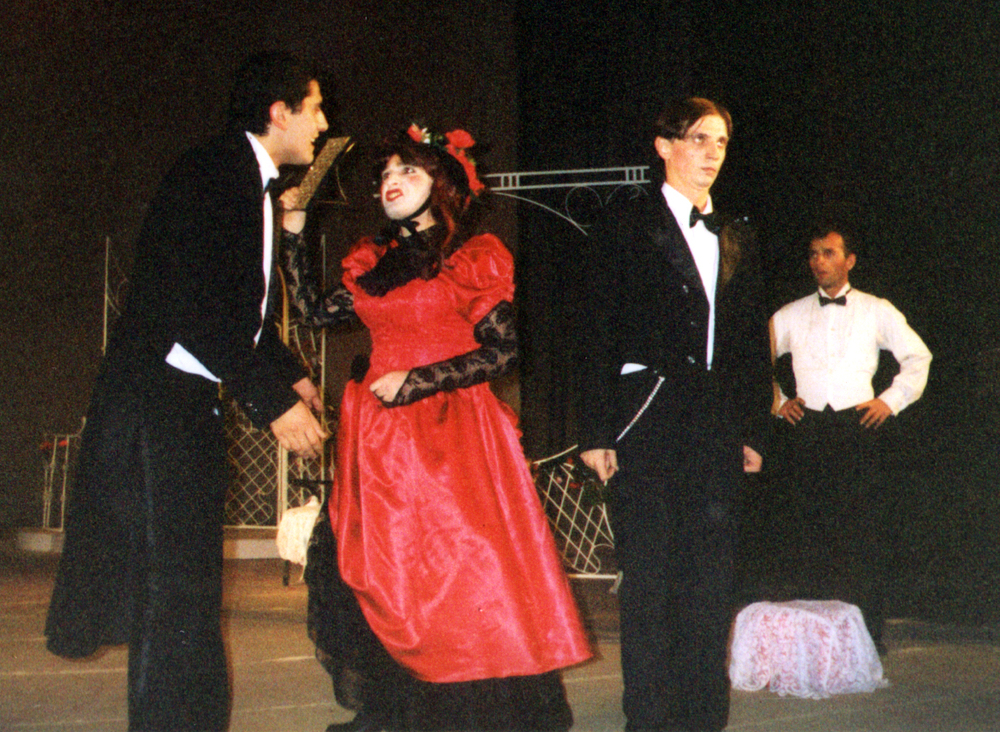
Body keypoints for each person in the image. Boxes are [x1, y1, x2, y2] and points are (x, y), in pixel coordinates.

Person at [44, 51, 331, 731]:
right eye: (316, 108)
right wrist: (272, 402)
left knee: (187, 590)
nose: (323, 124)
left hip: (181, 405)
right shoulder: (215, 172)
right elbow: (192, 303)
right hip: (156, 408)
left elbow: (235, 310)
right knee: (173, 592)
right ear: (279, 111)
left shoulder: (241, 178)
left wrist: (287, 370)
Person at [280, 124, 592, 731]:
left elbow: (504, 351)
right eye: (385, 174)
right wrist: (293, 234)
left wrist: (419, 380)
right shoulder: (374, 262)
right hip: (379, 442)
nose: (390, 182)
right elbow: (315, 312)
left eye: (408, 171)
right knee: (385, 570)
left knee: (458, 569)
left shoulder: (470, 259)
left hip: (452, 436)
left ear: (442, 185)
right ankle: (402, 709)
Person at [576, 97, 772, 731]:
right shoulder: (624, 223)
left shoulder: (737, 232)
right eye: (699, 139)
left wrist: (753, 428)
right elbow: (594, 329)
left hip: (715, 422)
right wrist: (596, 431)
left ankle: (702, 718)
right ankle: (650, 720)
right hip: (649, 416)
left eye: (721, 142)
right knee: (651, 580)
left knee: (710, 580)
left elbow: (750, 340)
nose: (713, 153)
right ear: (664, 146)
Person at [770, 225, 931, 651]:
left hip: (858, 429)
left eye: (828, 252)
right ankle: (812, 644)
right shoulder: (789, 314)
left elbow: (918, 356)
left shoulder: (876, 310)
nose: (818, 261)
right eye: (813, 253)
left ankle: (865, 642)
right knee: (808, 535)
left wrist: (890, 401)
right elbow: (753, 357)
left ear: (850, 260)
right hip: (807, 431)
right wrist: (777, 400)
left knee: (862, 536)